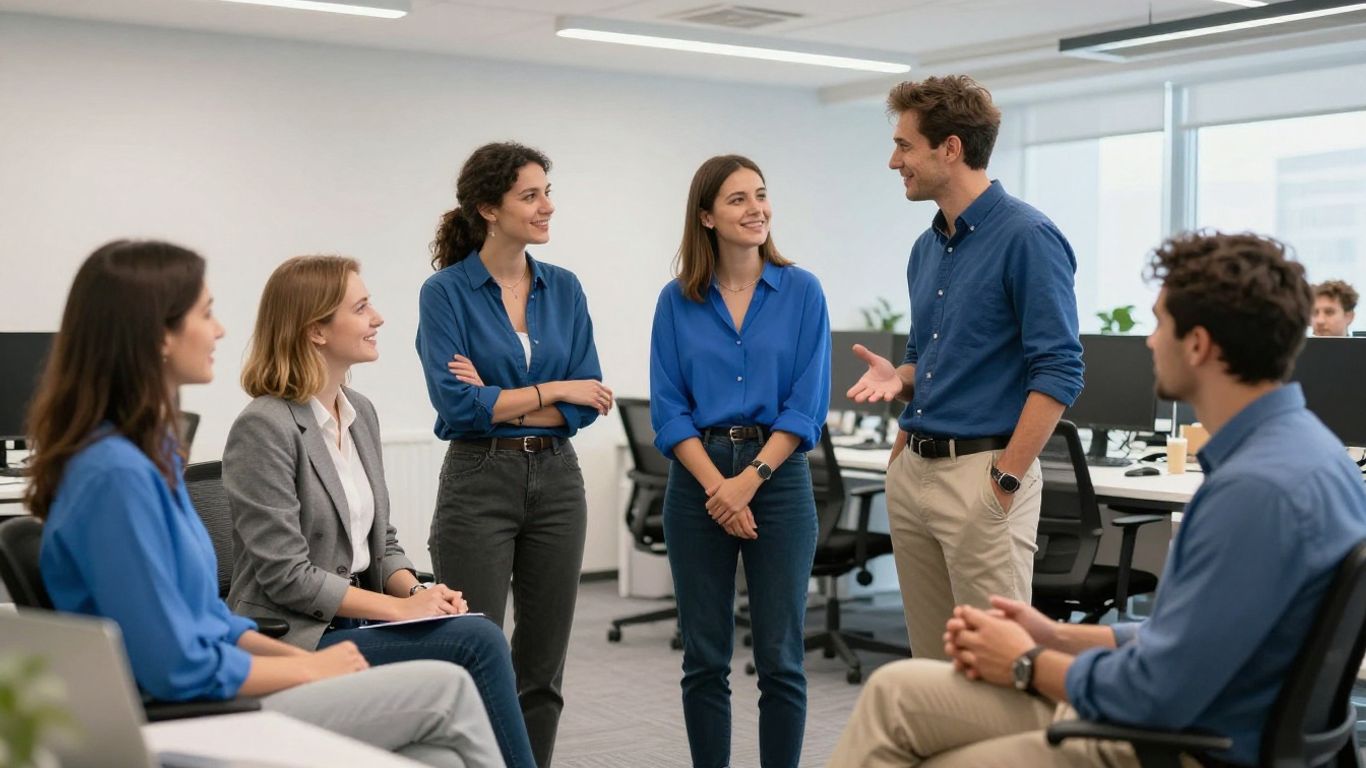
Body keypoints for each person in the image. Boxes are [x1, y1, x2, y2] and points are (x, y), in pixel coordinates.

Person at [828, 231, 1366, 768]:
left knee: (923, 742)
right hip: (1194, 714)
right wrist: (1057, 633)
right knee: (896, 688)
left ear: (1198, 344)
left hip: (1170, 740)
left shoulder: (1253, 492)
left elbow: (1158, 692)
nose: (1150, 342)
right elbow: (1185, 636)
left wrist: (1025, 663)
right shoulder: (1307, 455)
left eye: (1160, 323)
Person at [27, 240, 503, 768]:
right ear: (158, 335)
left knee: (440, 752)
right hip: (191, 715)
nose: (221, 330)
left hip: (224, 681)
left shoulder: (150, 457)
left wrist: (324, 652)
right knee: (449, 689)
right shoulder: (115, 475)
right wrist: (308, 667)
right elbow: (174, 666)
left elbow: (210, 621)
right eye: (206, 313)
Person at [223, 255, 536, 767]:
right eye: (362, 307)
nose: (379, 319)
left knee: (472, 638)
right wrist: (399, 610)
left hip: (356, 623)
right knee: (479, 642)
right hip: (295, 636)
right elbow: (287, 577)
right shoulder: (265, 426)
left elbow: (380, 543)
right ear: (317, 330)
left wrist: (418, 591)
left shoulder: (359, 412)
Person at [847, 75, 1084, 660]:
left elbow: (1059, 370)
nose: (893, 161)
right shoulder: (926, 248)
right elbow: (924, 361)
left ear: (949, 148)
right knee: (933, 666)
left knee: (996, 668)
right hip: (915, 474)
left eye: (904, 146)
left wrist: (1004, 479)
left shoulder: (1028, 237)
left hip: (982, 476)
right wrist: (899, 380)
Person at [417, 141, 611, 767]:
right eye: (530, 196)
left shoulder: (566, 289)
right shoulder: (445, 292)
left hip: (558, 480)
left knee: (542, 664)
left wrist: (506, 399)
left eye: (546, 193)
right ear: (489, 209)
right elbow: (458, 407)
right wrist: (553, 389)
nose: (546, 206)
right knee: (469, 654)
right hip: (479, 480)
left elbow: (590, 402)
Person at [649, 154, 831, 768]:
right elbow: (669, 411)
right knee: (704, 656)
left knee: (781, 657)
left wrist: (748, 482)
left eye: (760, 194)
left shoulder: (801, 290)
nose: (756, 208)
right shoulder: (677, 301)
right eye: (737, 199)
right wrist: (718, 488)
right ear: (706, 216)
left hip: (776, 479)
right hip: (697, 481)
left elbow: (807, 406)